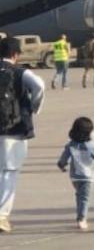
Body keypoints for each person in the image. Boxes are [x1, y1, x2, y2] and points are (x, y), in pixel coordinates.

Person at [0, 37, 45, 234]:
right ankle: (1, 215)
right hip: (14, 128)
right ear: (15, 54)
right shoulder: (20, 72)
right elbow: (39, 86)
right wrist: (34, 107)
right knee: (9, 171)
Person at [57, 116, 94, 230]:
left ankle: (80, 215)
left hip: (74, 176)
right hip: (87, 177)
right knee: (84, 198)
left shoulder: (71, 144)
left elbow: (64, 157)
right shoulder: (91, 145)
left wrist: (62, 165)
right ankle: (81, 218)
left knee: (80, 195)